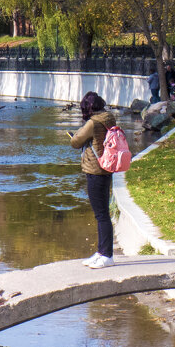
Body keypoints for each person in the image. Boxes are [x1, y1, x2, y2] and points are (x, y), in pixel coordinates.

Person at [68, 91, 117, 269]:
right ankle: (101, 251)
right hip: (106, 167)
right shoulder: (109, 118)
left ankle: (107, 256)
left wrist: (74, 136)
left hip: (95, 170)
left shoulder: (93, 123)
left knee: (101, 214)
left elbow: (76, 142)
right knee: (101, 213)